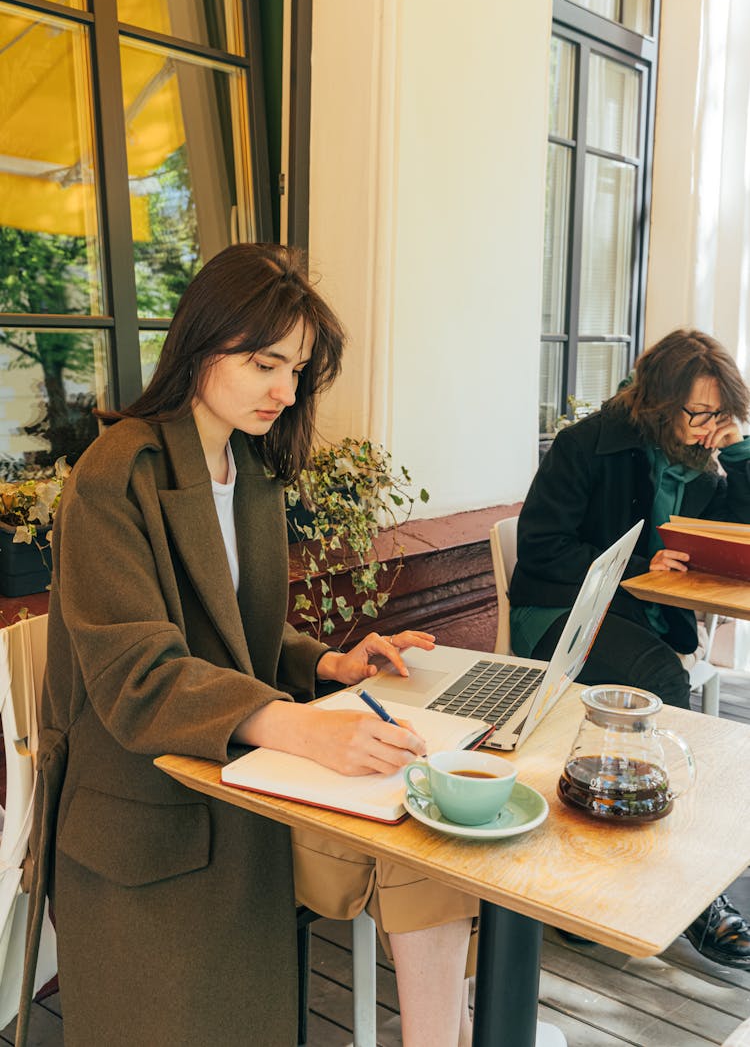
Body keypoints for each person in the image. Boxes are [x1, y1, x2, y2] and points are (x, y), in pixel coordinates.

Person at [17, 243, 476, 1047]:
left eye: (297, 369)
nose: (284, 390)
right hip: (146, 810)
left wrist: (327, 663)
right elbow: (138, 677)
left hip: (234, 781)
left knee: (426, 840)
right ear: (202, 341)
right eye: (266, 362)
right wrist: (302, 725)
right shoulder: (113, 477)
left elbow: (235, 632)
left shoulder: (249, 469)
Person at [509, 327, 750, 968]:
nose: (707, 431)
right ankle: (692, 898)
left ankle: (648, 866)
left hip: (639, 613)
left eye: (719, 417)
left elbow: (737, 528)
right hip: (560, 612)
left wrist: (743, 449)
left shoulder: (700, 458)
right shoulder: (588, 445)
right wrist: (642, 562)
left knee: (679, 707)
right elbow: (540, 550)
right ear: (657, 402)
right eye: (699, 415)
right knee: (664, 689)